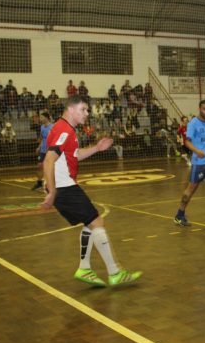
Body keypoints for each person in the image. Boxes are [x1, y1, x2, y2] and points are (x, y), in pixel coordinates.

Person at [41, 95, 142, 287]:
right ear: (70, 109)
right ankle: (114, 272)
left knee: (90, 222)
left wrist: (97, 148)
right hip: (64, 187)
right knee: (97, 221)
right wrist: (52, 191)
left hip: (65, 185)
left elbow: (74, 156)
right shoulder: (63, 129)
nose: (87, 113)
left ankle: (85, 269)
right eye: (83, 109)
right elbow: (48, 160)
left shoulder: (67, 129)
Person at [31, 112, 53, 191]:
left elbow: (55, 139)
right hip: (43, 150)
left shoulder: (53, 127)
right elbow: (42, 137)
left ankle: (49, 185)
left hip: (50, 151)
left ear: (46, 118)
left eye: (42, 117)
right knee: (39, 166)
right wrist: (39, 147)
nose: (40, 119)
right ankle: (39, 183)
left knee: (48, 168)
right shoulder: (42, 127)